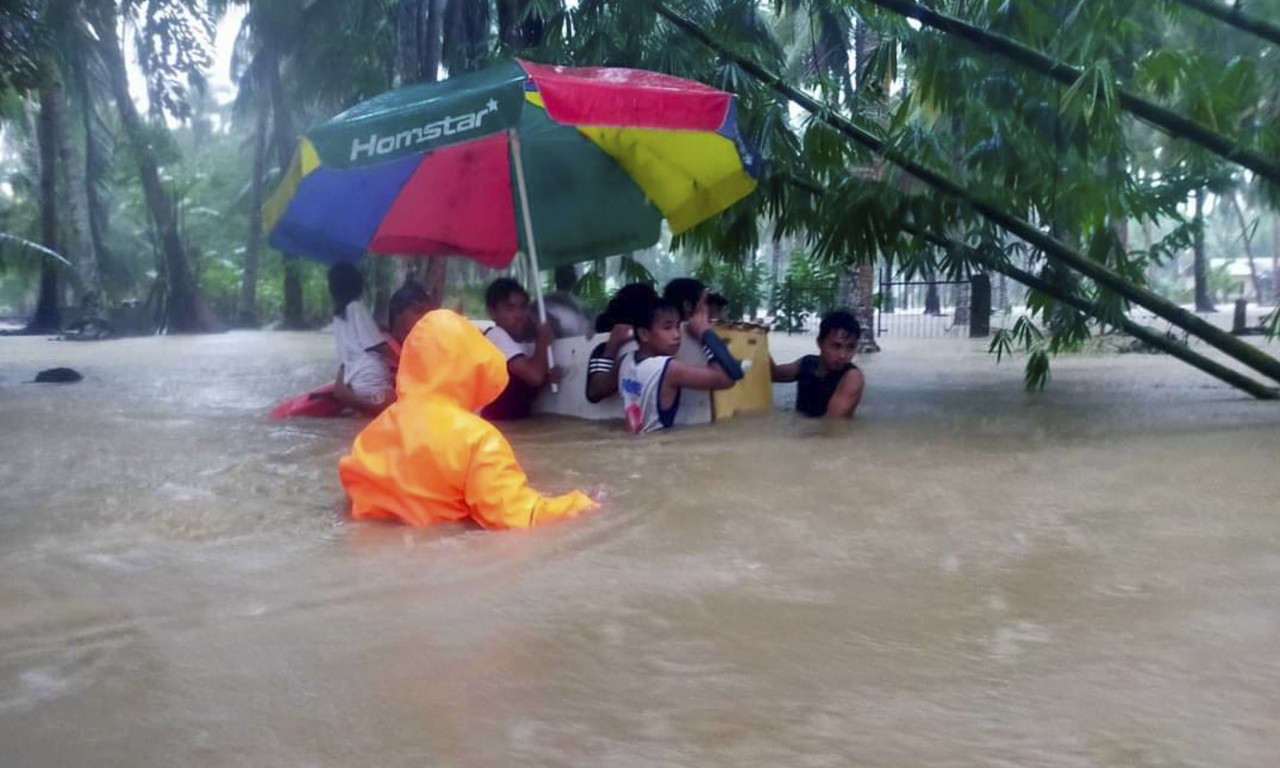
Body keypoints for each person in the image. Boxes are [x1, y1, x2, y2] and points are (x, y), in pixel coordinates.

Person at [338, 310, 597, 528]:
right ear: (472, 366)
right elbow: (516, 516)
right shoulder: (478, 440)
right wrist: (580, 504)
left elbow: (353, 498)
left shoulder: (372, 434)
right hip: (438, 564)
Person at [618, 298, 736, 434]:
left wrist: (613, 346)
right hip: (658, 447)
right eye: (667, 328)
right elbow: (727, 379)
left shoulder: (624, 361)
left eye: (678, 327)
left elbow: (596, 392)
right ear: (644, 334)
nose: (677, 335)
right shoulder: (670, 368)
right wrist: (704, 333)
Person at [332, 277, 436, 414]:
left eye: (428, 313)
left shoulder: (427, 350)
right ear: (398, 313)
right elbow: (340, 390)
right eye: (418, 311)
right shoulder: (370, 349)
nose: (425, 318)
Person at [481, 278, 558, 421]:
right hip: (494, 426)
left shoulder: (521, 344)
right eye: (510, 309)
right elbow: (535, 377)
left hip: (515, 426)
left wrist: (547, 379)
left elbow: (524, 387)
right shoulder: (495, 335)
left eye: (523, 307)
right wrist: (543, 342)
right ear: (492, 312)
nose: (519, 315)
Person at [770, 309, 866, 419]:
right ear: (820, 343)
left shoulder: (852, 378)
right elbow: (772, 374)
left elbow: (831, 424)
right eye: (836, 346)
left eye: (850, 347)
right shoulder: (807, 363)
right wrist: (757, 337)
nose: (843, 355)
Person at [328, 263, 395, 414]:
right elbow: (375, 344)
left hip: (355, 380)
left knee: (365, 418)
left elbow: (351, 346)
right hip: (370, 373)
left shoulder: (339, 315)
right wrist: (401, 358)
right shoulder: (356, 307)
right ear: (357, 284)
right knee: (386, 411)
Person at [586, 283, 659, 403]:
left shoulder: (666, 359)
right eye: (667, 327)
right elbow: (595, 392)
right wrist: (612, 345)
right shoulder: (623, 356)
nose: (675, 334)